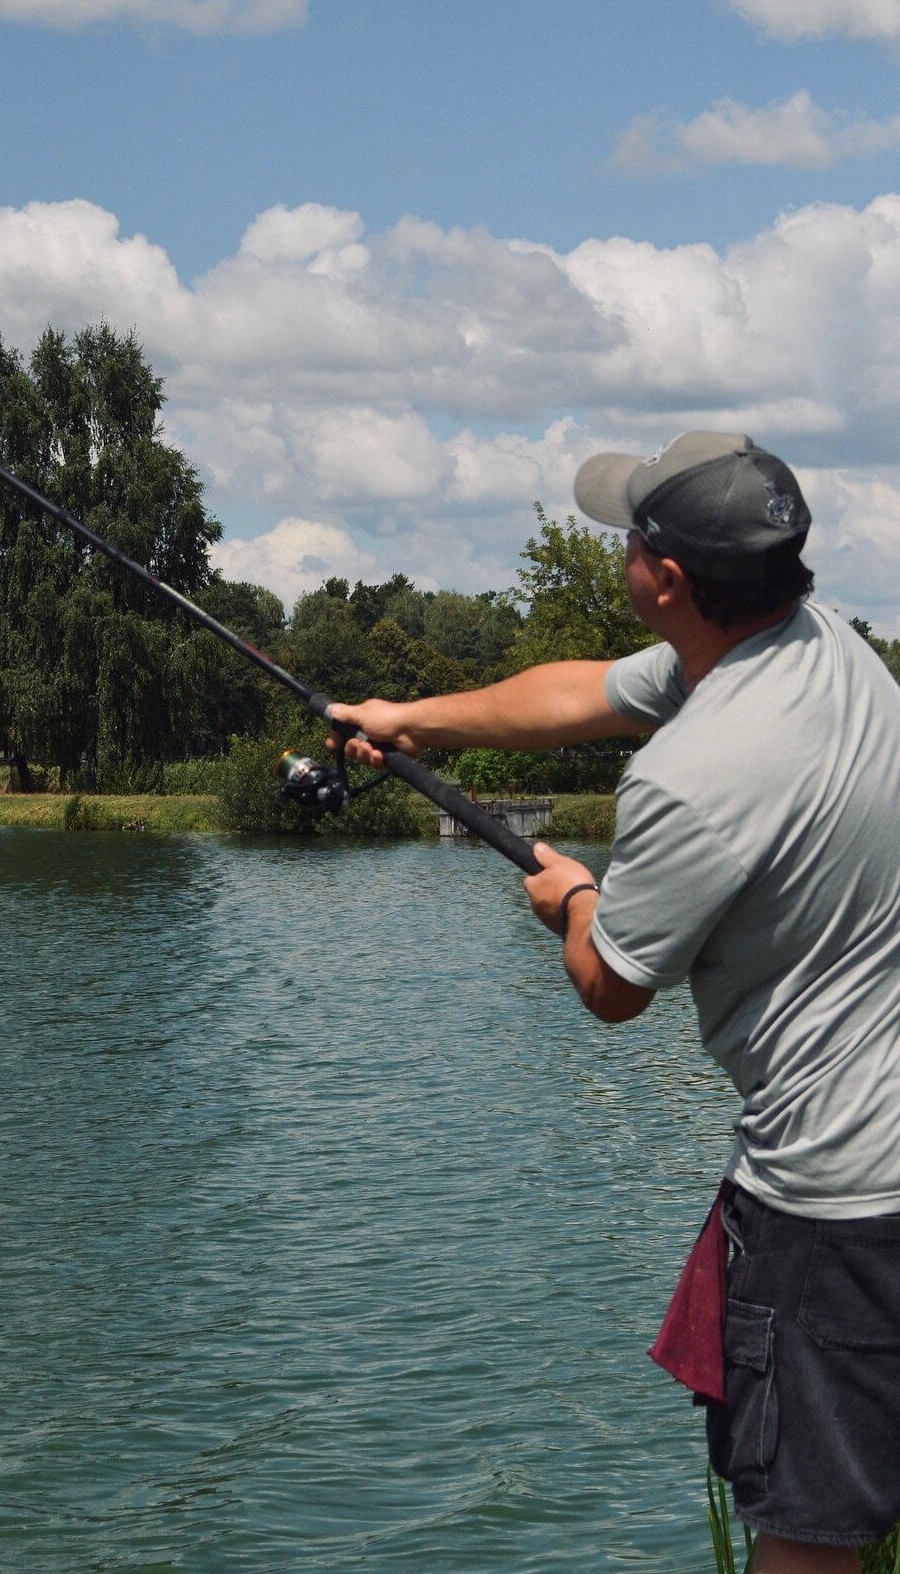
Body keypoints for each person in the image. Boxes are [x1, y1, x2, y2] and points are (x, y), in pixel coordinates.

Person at [329, 432, 900, 1574]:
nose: (623, 549)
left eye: (633, 536)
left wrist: (572, 896)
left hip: (832, 1201)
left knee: (808, 1541)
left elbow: (612, 988)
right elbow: (581, 692)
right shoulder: (823, 644)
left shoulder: (693, 774)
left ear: (668, 581)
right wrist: (407, 717)